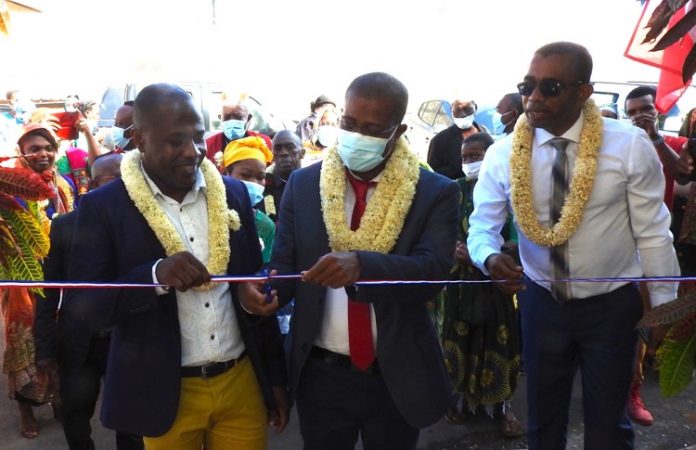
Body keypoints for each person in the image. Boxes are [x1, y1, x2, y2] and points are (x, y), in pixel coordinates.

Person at [467, 42, 680, 449]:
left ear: (584, 92)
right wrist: (489, 256)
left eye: (551, 87)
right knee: (542, 424)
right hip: (541, 303)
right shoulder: (503, 153)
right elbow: (482, 226)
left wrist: (664, 306)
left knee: (607, 426)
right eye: (528, 86)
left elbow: (653, 233)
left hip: (612, 308)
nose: (534, 98)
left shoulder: (628, 146)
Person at [63, 83, 288, 450]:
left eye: (199, 138)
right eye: (176, 141)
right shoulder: (104, 208)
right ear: (139, 138)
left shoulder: (232, 195)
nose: (193, 152)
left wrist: (274, 378)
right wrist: (153, 277)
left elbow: (250, 284)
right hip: (162, 391)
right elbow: (83, 308)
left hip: (240, 381)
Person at [242, 72, 459, 450]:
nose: (356, 136)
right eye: (349, 124)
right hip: (321, 376)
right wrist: (264, 294)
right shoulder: (305, 185)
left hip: (396, 375)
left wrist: (364, 265)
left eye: (372, 129)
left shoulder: (434, 192)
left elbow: (433, 271)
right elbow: (286, 266)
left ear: (398, 131)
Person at [35, 152, 144, 450]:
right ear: (93, 183)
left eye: (129, 177)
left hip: (128, 339)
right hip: (80, 341)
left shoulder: (144, 221)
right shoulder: (65, 226)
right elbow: (48, 292)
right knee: (75, 413)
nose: (124, 185)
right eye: (116, 179)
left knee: (131, 418)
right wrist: (44, 348)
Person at [441, 132, 523, 438]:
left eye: (476, 156)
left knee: (498, 341)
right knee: (459, 341)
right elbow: (439, 231)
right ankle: (462, 401)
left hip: (496, 280)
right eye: (465, 157)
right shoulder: (452, 190)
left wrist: (492, 254)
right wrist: (454, 249)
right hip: (460, 282)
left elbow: (517, 236)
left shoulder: (507, 186)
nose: (470, 162)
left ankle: (501, 407)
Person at [2, 124, 75, 439]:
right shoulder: (8, 186)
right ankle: (25, 408)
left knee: (59, 337)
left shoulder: (64, 184)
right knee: (24, 341)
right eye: (34, 148)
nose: (42, 154)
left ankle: (58, 396)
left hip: (59, 275)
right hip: (20, 278)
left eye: (47, 147)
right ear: (22, 152)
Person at [625, 85, 692, 211]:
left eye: (646, 109)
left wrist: (656, 139)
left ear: (659, 111)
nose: (639, 115)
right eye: (632, 112)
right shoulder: (622, 143)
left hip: (658, 221)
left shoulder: (677, 143)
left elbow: (683, 179)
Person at [221, 136, 275, 263]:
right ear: (227, 172)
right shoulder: (209, 214)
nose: (253, 183)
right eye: (245, 175)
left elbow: (263, 268)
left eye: (260, 177)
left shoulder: (266, 226)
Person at [427, 98, 487, 179]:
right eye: (458, 110)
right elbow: (432, 175)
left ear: (475, 108)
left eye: (467, 109)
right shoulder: (439, 141)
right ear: (451, 109)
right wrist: (460, 166)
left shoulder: (485, 133)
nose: (463, 115)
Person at [205, 100, 272, 165]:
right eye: (226, 117)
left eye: (238, 117)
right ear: (221, 118)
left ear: (248, 118)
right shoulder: (208, 146)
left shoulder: (264, 143)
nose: (232, 121)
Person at [264, 130, 304, 221]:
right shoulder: (262, 184)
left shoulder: (314, 182)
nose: (284, 153)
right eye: (278, 149)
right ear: (272, 154)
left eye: (290, 147)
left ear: (302, 153)